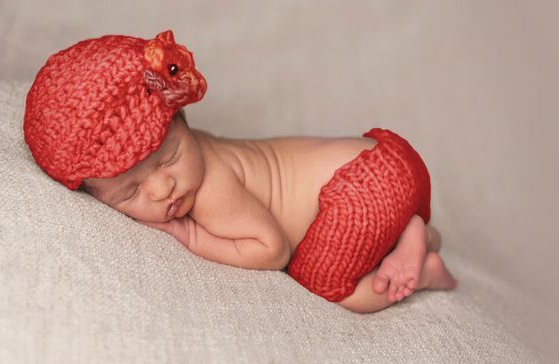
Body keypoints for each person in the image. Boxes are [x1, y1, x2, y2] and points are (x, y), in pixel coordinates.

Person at [24, 30, 457, 314]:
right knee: (375, 230)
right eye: (129, 192)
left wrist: (190, 235)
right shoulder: (198, 149)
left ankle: (421, 273)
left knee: (330, 286)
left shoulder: (211, 190)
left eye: (170, 157)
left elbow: (271, 250)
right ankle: (413, 232)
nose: (162, 187)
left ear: (185, 121)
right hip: (386, 159)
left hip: (359, 190)